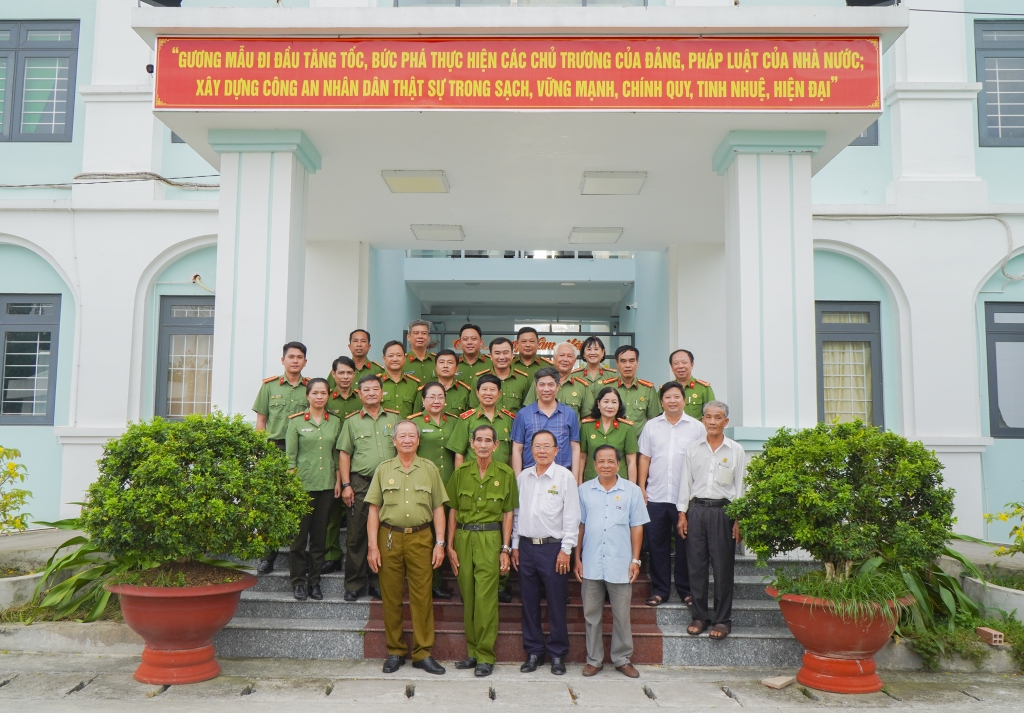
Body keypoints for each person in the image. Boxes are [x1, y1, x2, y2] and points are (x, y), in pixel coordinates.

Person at [365, 420, 449, 675]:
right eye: (402, 436)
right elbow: (373, 510)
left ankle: (423, 652)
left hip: (421, 538)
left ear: (418, 440)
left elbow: (438, 508)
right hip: (389, 537)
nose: (407, 440)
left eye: (412, 435)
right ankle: (395, 650)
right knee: (390, 595)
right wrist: (372, 547)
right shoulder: (383, 469)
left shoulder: (429, 469)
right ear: (394, 441)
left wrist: (440, 543)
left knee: (422, 595)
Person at [446, 425, 519, 677]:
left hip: (490, 537)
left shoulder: (506, 473)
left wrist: (505, 548)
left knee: (486, 599)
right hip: (464, 538)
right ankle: (472, 652)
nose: (484, 445)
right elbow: (453, 510)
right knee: (468, 596)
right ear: (472, 444)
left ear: (496, 445)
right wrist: (449, 546)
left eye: (489, 440)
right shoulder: (460, 473)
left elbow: (509, 512)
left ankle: (486, 655)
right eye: (479, 440)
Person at [575, 445, 649, 678]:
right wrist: (576, 558)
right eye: (601, 461)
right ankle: (594, 660)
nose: (606, 465)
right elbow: (580, 526)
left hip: (620, 562)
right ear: (594, 465)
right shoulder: (584, 491)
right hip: (591, 561)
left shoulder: (632, 491)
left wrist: (635, 559)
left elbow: (636, 527)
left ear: (619, 464)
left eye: (610, 461)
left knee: (621, 615)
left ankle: (622, 659)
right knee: (591, 616)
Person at [511, 430, 580, 676]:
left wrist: (566, 550)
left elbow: (572, 515)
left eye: (546, 446)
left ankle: (558, 654)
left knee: (556, 602)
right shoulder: (523, 477)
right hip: (527, 548)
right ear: (531, 449)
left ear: (556, 450)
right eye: (537, 446)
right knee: (528, 602)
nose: (541, 450)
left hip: (554, 549)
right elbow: (517, 514)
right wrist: (515, 546)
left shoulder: (564, 477)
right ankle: (533, 652)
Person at [677, 401, 746, 641]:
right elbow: (685, 482)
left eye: (718, 417)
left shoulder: (735, 450)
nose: (713, 422)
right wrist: (682, 513)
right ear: (703, 420)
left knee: (722, 568)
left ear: (726, 422)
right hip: (696, 511)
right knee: (695, 567)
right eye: (708, 417)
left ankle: (722, 619)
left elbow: (741, 487)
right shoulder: (693, 448)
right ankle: (699, 616)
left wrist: (739, 519)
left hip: (723, 513)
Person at [637, 381, 706, 608]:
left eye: (676, 396)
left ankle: (686, 590)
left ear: (684, 400)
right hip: (656, 495)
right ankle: (660, 590)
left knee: (686, 546)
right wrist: (641, 487)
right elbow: (645, 458)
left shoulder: (696, 427)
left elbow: (701, 461)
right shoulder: (651, 426)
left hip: (684, 498)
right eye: (668, 397)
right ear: (662, 401)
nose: (672, 400)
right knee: (657, 545)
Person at [336, 374, 400, 601]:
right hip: (361, 482)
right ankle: (354, 584)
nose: (372, 392)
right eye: (367, 389)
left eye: (376, 389)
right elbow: (344, 454)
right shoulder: (352, 421)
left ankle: (377, 582)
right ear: (359, 394)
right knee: (356, 535)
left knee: (385, 533)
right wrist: (346, 485)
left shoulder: (395, 419)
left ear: (382, 393)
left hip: (391, 483)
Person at [252, 341, 310, 574]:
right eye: (291, 357)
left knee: (301, 502)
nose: (295, 360)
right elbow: (261, 422)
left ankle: (299, 554)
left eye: (300, 357)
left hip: (304, 449)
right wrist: (259, 452)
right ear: (283, 360)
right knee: (273, 503)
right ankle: (268, 555)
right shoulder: (269, 387)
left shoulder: (311, 387)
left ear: (305, 361)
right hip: (275, 448)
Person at [285, 378, 342, 601]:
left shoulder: (335, 422)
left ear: (329, 396)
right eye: (315, 393)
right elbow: (290, 458)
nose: (319, 397)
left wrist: (338, 481)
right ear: (307, 396)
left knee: (319, 539)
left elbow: (337, 456)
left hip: (326, 485)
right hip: (303, 486)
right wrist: (292, 486)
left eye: (323, 393)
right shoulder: (296, 422)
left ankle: (314, 582)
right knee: (299, 539)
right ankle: (298, 582)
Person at [410, 381, 459, 600]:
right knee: (425, 536)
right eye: (432, 397)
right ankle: (427, 582)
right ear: (423, 400)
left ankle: (442, 580)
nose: (437, 401)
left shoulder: (455, 423)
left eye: (441, 397)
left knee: (446, 533)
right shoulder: (414, 423)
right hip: (422, 485)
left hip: (448, 484)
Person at [323, 357, 361, 573]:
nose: (345, 377)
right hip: (332, 461)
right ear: (334, 374)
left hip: (357, 462)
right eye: (341, 373)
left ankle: (355, 559)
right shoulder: (327, 400)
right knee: (332, 514)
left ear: (354, 375)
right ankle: (332, 554)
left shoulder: (361, 398)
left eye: (349, 373)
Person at [511, 367, 581, 479]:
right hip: (531, 475)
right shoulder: (523, 414)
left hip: (562, 475)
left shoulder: (569, 414)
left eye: (551, 385)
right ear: (536, 387)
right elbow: (517, 448)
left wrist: (574, 478)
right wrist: (518, 479)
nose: (546, 389)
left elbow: (575, 448)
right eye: (542, 385)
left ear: (558, 386)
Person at [584, 346, 662, 433]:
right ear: (617, 363)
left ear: (637, 362)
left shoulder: (648, 389)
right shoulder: (605, 387)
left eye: (632, 361)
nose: (627, 365)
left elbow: (653, 420)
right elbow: (596, 416)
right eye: (623, 361)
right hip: (612, 442)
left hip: (639, 443)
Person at [447, 374, 516, 468]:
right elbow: (459, 454)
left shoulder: (509, 419)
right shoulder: (467, 419)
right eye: (484, 389)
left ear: (499, 394)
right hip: (473, 476)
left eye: (492, 390)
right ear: (477, 392)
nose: (488, 393)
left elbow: (512, 453)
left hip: (501, 477)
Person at [579, 386, 639, 484]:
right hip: (591, 481)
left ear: (619, 405)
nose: (610, 406)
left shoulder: (627, 428)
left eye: (614, 402)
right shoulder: (586, 427)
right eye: (606, 401)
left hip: (620, 482)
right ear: (598, 404)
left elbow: (631, 461)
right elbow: (582, 458)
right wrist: (579, 483)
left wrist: (632, 488)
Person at [523, 341, 590, 417]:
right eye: (561, 355)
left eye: (569, 356)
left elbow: (587, 418)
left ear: (574, 361)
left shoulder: (582, 386)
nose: (565, 359)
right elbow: (528, 410)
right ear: (553, 359)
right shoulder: (539, 382)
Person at [469, 337, 530, 414]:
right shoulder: (478, 379)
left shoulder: (523, 379)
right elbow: (474, 410)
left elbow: (527, 410)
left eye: (506, 353)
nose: (501, 357)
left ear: (512, 355)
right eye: (497, 353)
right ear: (490, 356)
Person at [413, 349, 472, 417]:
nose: (445, 366)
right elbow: (417, 417)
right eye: (441, 362)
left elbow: (467, 419)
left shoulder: (465, 391)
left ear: (456, 368)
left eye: (450, 362)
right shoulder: (424, 390)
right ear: (435, 367)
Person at [668, 349, 716, 421]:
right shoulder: (666, 390)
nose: (680, 366)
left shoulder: (703, 389)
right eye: (676, 363)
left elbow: (712, 415)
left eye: (684, 362)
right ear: (671, 367)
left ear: (692, 364)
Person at [380, 340, 420, 419]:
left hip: (407, 430)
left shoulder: (414, 384)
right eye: (391, 356)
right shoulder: (375, 383)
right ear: (384, 359)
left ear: (405, 358)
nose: (395, 359)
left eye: (399, 355)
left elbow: (417, 414)